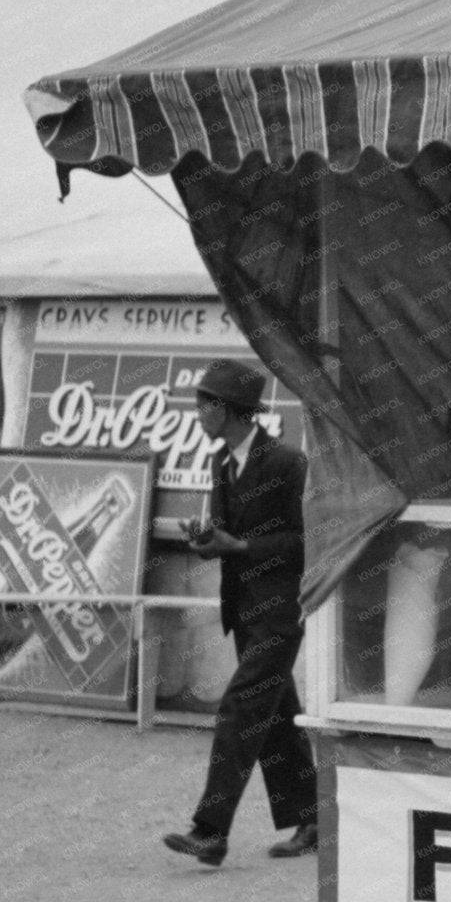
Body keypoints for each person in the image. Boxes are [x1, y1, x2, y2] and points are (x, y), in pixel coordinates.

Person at [162, 360, 318, 866]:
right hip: (245, 610)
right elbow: (230, 539)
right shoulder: (221, 463)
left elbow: (304, 542)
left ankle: (210, 831)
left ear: (227, 410)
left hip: (279, 611)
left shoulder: (287, 462)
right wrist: (208, 542)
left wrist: (241, 544)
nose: (197, 413)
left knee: (240, 708)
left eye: (203, 404)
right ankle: (313, 816)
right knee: (272, 717)